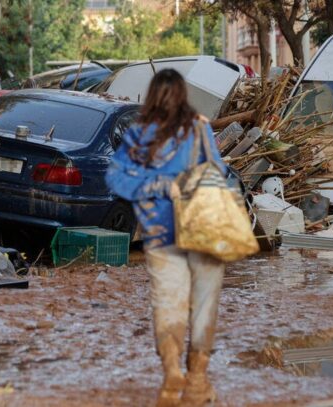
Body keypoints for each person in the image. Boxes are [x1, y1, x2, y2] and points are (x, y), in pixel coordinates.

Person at [106, 69, 227, 407]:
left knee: (168, 303)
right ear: (184, 94)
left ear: (153, 95)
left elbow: (115, 179)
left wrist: (151, 187)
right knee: (203, 306)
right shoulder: (200, 128)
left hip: (160, 235)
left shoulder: (138, 135)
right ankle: (198, 379)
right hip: (202, 232)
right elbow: (218, 171)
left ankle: (173, 372)